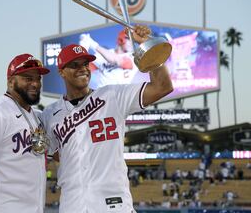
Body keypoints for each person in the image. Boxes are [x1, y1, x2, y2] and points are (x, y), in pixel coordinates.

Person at [41, 25, 173, 213]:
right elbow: (58, 154)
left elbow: (162, 87)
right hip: (73, 205)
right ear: (61, 71)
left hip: (114, 205)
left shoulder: (112, 96)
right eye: (74, 65)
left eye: (85, 64)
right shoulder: (50, 114)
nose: (83, 69)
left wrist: (147, 46)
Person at [0, 54, 50, 213]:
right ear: (11, 81)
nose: (35, 83)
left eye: (38, 78)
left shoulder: (36, 116)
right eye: (27, 78)